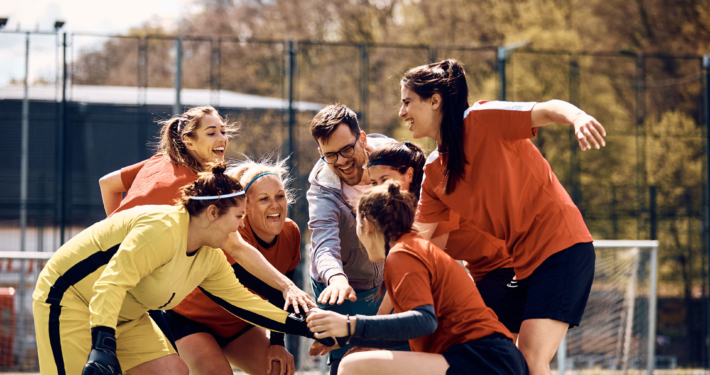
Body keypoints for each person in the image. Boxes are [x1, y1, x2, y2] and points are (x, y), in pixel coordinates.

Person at [399, 59, 605, 375]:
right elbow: (416, 248)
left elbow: (547, 109)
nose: (402, 113)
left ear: (435, 101)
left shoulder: (483, 119)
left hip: (562, 246)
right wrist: (369, 324)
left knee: (531, 359)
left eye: (407, 102)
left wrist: (578, 117)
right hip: (521, 265)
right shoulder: (433, 171)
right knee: (488, 353)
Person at [33, 163, 333, 375]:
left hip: (126, 314)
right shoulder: (162, 229)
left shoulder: (210, 255)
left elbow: (245, 304)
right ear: (213, 213)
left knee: (173, 370)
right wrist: (103, 345)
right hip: (70, 299)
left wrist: (307, 328)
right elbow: (110, 285)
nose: (241, 225)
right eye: (237, 216)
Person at [98, 106, 315, 327]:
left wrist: (115, 230)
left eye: (223, 131)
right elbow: (236, 247)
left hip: (107, 264)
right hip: (109, 282)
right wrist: (287, 286)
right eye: (211, 133)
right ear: (188, 141)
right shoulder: (198, 188)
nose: (221, 138)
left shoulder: (160, 160)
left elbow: (107, 184)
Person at [306, 182, 528, 375]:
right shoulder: (411, 248)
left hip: (483, 359)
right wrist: (347, 337)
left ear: (368, 225)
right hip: (490, 359)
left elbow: (423, 322)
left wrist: (348, 325)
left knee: (351, 367)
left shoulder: (402, 254)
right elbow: (410, 332)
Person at [164, 158, 301, 375]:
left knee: (279, 370)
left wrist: (277, 342)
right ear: (245, 206)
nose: (275, 205)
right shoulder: (231, 234)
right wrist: (324, 328)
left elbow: (284, 296)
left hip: (238, 323)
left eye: (280, 196)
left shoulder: (291, 232)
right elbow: (270, 289)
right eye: (264, 199)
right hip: (191, 319)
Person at [367, 142, 512, 318]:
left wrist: (379, 318)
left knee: (495, 340)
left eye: (386, 179)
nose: (379, 188)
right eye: (374, 182)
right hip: (480, 270)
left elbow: (418, 260)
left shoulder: (432, 202)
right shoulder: (401, 209)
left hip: (504, 265)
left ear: (409, 174)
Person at [306, 103, 396, 374]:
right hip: (343, 286)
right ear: (321, 153)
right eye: (331, 155)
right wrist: (336, 278)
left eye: (347, 149)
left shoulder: (395, 162)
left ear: (363, 139)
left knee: (390, 357)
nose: (342, 161)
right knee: (346, 363)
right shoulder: (323, 186)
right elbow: (323, 243)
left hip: (390, 280)